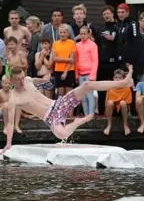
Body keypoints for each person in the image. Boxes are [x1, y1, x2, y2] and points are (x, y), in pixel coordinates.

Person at [0, 64, 134, 152]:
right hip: (50, 118)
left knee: (87, 84)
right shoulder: (14, 99)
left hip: (58, 104)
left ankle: (123, 82)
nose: (22, 82)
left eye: (23, 78)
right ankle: (77, 122)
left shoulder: (28, 80)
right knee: (62, 134)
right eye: (18, 80)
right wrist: (8, 143)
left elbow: (33, 80)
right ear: (11, 80)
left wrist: (43, 80)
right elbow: (11, 123)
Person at [104, 68, 132, 136]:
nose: (118, 79)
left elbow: (128, 103)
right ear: (113, 78)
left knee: (122, 102)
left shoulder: (127, 88)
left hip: (123, 110)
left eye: (120, 77)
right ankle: (109, 125)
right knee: (110, 102)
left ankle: (125, 125)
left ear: (123, 79)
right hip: (113, 110)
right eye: (116, 77)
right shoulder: (110, 88)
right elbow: (107, 103)